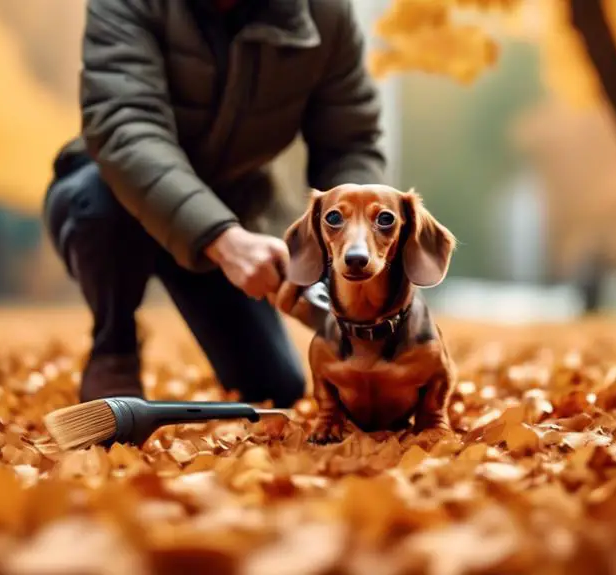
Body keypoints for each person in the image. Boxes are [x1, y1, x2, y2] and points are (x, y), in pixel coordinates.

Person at [44, 0, 386, 407]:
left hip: (227, 210)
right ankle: (114, 348)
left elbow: (350, 143)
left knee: (277, 388)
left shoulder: (325, 14)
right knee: (95, 200)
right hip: (121, 198)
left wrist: (350, 253)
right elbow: (125, 128)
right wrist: (223, 239)